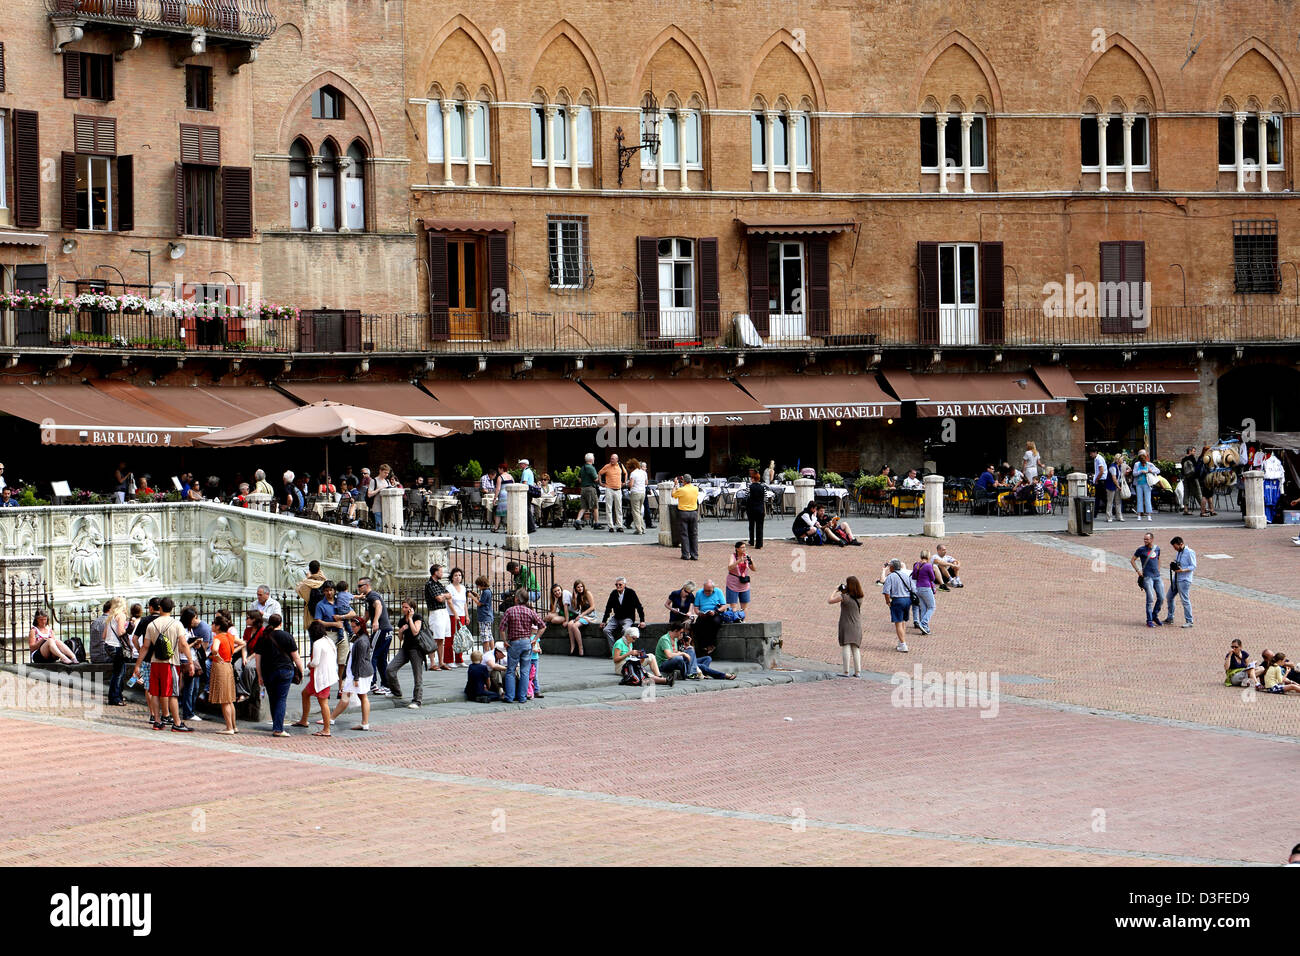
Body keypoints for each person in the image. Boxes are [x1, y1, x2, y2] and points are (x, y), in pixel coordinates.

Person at [132, 597, 198, 733]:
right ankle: (177, 723)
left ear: (160, 608)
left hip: (155, 662)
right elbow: (184, 644)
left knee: (155, 692)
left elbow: (145, 647)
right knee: (172, 693)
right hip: (171, 663)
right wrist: (191, 662)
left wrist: (137, 665)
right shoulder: (177, 624)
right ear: (172, 608)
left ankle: (157, 721)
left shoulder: (152, 625)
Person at [254, 614, 300, 736]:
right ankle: (278, 729)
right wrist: (300, 670)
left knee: (273, 699)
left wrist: (259, 675)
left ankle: (276, 724)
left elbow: (257, 660)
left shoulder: (263, 637)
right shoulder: (287, 636)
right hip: (285, 670)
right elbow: (296, 657)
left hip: (268, 671)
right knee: (281, 699)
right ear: (281, 623)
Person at [500, 588, 545, 703]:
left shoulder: (509, 611)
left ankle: (510, 697)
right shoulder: (530, 612)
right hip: (526, 642)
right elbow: (542, 626)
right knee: (525, 671)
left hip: (514, 642)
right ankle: (522, 697)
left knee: (511, 670)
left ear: (516, 598)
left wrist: (505, 640)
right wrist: (535, 639)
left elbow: (502, 628)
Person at [292, 622, 336, 735]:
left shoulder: (317, 643)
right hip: (324, 675)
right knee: (305, 694)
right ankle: (304, 720)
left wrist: (309, 665)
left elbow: (315, 662)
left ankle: (326, 729)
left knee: (323, 702)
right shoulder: (329, 640)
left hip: (321, 677)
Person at [330, 622, 373, 730]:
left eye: (354, 626)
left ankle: (331, 718)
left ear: (360, 626)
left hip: (358, 673)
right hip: (360, 672)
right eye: (352, 626)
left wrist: (356, 678)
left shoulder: (361, 641)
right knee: (362, 696)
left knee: (347, 695)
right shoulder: (360, 638)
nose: (352, 628)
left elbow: (359, 661)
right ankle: (365, 723)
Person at [386, 600, 426, 708]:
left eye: (406, 607)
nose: (403, 609)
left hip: (416, 649)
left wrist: (411, 619)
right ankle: (397, 692)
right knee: (390, 669)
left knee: (417, 676)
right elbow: (400, 638)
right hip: (405, 648)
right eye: (403, 607)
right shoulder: (402, 620)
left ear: (411, 608)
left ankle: (417, 700)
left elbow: (415, 632)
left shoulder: (417, 617)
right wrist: (401, 631)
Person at [208, 611, 243, 735]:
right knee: (229, 699)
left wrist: (216, 656)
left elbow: (214, 649)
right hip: (228, 665)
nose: (212, 625)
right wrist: (232, 652)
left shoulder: (218, 637)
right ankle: (234, 726)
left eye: (213, 623)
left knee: (224, 699)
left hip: (220, 666)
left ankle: (229, 728)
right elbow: (243, 643)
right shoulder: (229, 636)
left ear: (217, 627)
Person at [357, 577, 392, 696]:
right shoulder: (368, 598)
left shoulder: (372, 596)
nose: (358, 588)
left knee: (372, 655)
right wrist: (358, 624)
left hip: (381, 629)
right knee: (381, 659)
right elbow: (366, 616)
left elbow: (379, 606)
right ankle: (386, 685)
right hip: (387, 630)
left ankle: (372, 683)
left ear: (367, 585)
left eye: (360, 586)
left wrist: (375, 621)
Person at [829, 577, 864, 677]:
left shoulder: (844, 597)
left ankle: (846, 671)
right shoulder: (860, 597)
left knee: (846, 646)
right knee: (855, 648)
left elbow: (830, 600)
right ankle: (858, 672)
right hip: (857, 624)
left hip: (846, 623)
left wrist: (835, 590)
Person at [1130, 531, 1165, 628]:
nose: (1145, 541)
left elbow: (1158, 558)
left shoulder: (1157, 548)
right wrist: (1138, 571)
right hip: (1147, 577)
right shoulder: (1141, 550)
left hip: (1157, 576)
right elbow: (1132, 560)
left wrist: (1158, 569)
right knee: (1150, 598)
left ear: (1152, 539)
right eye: (1144, 539)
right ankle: (1149, 619)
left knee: (1161, 597)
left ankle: (1155, 615)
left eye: (1147, 539)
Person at [600, 576, 645, 649]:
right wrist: (604, 621)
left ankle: (624, 650)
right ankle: (614, 650)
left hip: (628, 618)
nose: (618, 586)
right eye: (616, 585)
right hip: (616, 618)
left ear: (624, 585)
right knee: (606, 630)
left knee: (625, 630)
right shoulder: (613, 593)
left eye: (620, 584)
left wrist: (642, 620)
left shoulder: (631, 593)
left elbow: (639, 606)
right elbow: (608, 608)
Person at [880, 559, 914, 653]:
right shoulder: (906, 575)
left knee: (898, 622)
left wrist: (888, 602)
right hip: (907, 599)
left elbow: (886, 591)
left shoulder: (891, 576)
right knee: (903, 621)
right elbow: (912, 588)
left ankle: (903, 644)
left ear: (892, 567)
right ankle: (901, 641)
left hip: (898, 600)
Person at [424, 563, 453, 670]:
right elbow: (439, 598)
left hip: (443, 612)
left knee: (442, 638)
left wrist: (443, 595)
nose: (442, 573)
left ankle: (441, 662)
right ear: (435, 572)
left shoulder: (439, 584)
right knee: (435, 638)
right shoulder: (430, 584)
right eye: (440, 571)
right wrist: (444, 596)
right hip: (436, 613)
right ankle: (432, 663)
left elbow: (449, 595)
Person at [102, 597, 130, 706]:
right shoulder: (121, 615)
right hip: (117, 646)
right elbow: (120, 632)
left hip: (108, 646)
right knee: (119, 673)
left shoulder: (110, 617)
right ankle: (115, 698)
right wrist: (128, 632)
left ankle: (115, 695)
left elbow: (103, 635)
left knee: (117, 672)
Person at [1164, 536, 1196, 628]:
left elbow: (1193, 566)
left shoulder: (1190, 552)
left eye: (1175, 547)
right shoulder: (1179, 552)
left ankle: (1189, 621)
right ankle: (1170, 618)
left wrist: (1182, 570)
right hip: (1176, 578)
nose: (1174, 549)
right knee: (1169, 597)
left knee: (1185, 600)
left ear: (1181, 544)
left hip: (1184, 580)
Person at [691, 579, 725, 655]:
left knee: (714, 623)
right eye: (705, 590)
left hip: (715, 613)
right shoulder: (699, 593)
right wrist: (699, 613)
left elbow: (724, 606)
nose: (707, 593)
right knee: (698, 625)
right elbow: (696, 607)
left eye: (709, 591)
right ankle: (702, 647)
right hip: (703, 614)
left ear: (713, 588)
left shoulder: (718, 592)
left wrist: (715, 612)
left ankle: (711, 645)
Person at [672, 474, 700, 560]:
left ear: (683, 481)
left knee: (684, 534)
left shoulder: (681, 490)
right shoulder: (696, 488)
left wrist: (675, 485)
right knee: (694, 534)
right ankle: (694, 554)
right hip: (694, 512)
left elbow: (673, 494)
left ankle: (685, 554)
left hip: (683, 512)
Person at [566, 579, 597, 655]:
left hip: (590, 616)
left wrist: (582, 615)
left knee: (575, 626)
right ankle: (573, 647)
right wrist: (575, 598)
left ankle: (580, 647)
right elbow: (576, 608)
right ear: (575, 589)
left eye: (581, 586)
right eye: (578, 587)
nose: (580, 588)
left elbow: (592, 607)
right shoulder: (578, 596)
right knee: (570, 624)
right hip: (582, 616)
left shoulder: (587, 593)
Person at [446, 567, 470, 665]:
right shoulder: (449, 588)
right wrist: (455, 614)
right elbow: (449, 602)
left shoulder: (463, 588)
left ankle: (459, 659)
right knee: (451, 637)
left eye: (459, 575)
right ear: (452, 577)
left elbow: (464, 603)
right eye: (455, 575)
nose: (458, 577)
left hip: (462, 615)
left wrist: (467, 615)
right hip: (452, 615)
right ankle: (449, 660)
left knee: (461, 637)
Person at [911, 550, 938, 635]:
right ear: (928, 556)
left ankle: (925, 628)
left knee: (923, 608)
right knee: (932, 607)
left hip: (918, 588)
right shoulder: (928, 565)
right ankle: (923, 623)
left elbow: (914, 576)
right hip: (926, 587)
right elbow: (932, 578)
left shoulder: (916, 565)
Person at [599, 453, 627, 533]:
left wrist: (624, 482)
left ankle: (619, 526)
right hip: (609, 489)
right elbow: (600, 473)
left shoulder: (620, 466)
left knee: (618, 508)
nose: (611, 460)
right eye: (611, 458)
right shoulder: (607, 466)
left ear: (617, 459)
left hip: (618, 489)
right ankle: (610, 526)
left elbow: (625, 473)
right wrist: (601, 483)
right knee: (609, 508)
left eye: (613, 459)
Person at [726, 541, 755, 613]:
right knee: (733, 606)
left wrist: (751, 561)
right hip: (733, 584)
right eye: (742, 547)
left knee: (744, 607)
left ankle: (743, 621)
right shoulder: (733, 556)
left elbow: (754, 569)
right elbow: (729, 567)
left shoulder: (747, 557)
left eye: (745, 547)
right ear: (737, 549)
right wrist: (739, 561)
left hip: (744, 584)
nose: (744, 549)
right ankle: (735, 621)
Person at [574, 453, 601, 529]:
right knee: (595, 506)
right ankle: (596, 523)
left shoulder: (583, 468)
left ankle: (577, 520)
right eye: (594, 458)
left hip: (583, 489)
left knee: (583, 507)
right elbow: (595, 479)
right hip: (590, 489)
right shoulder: (591, 468)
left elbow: (579, 479)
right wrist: (599, 477)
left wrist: (585, 480)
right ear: (591, 459)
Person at [1131, 450, 1155, 521]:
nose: (1143, 464)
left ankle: (1149, 515)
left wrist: (1151, 471)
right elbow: (1134, 473)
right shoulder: (1137, 464)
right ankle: (1139, 514)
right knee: (1139, 499)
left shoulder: (1149, 464)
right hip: (1139, 484)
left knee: (1148, 499)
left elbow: (1158, 470)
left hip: (1147, 484)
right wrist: (1140, 471)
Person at [627, 458, 649, 535]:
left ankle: (639, 529)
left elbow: (631, 485)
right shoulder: (643, 473)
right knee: (639, 511)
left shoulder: (633, 473)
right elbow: (646, 482)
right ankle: (643, 528)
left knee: (635, 512)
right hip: (643, 492)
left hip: (635, 492)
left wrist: (627, 484)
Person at [1105, 453, 1127, 522]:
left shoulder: (1119, 466)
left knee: (1118, 501)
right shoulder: (1113, 467)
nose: (1123, 460)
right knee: (1110, 502)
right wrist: (1118, 486)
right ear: (1118, 460)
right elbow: (1114, 478)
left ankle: (1119, 516)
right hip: (1111, 485)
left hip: (1117, 485)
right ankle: (1109, 517)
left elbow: (1118, 477)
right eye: (1122, 459)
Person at [473, 574, 494, 644]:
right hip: (488, 616)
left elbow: (479, 604)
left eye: (478, 585)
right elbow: (484, 601)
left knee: (485, 636)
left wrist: (472, 597)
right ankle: (492, 651)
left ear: (481, 584)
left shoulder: (485, 592)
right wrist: (477, 596)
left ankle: (486, 652)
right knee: (489, 635)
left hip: (484, 616)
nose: (478, 587)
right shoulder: (488, 591)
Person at [1089, 449, 1107, 514]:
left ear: (1095, 452)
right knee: (1098, 497)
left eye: (1091, 453)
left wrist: (1096, 480)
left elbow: (1101, 471)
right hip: (1100, 480)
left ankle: (1110, 510)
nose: (1090, 455)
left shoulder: (1099, 459)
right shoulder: (1096, 459)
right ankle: (1095, 513)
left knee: (1102, 497)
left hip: (1101, 480)